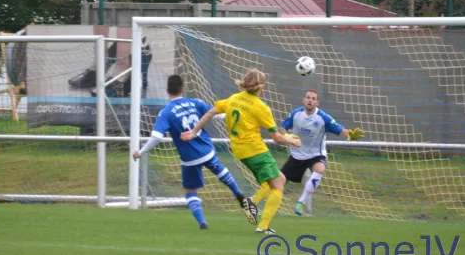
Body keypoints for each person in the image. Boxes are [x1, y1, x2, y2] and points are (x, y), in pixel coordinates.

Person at [181, 69, 301, 235]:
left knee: (278, 179)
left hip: (239, 151)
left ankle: (252, 201)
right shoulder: (261, 107)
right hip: (255, 150)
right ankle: (263, 226)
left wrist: (194, 132)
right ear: (261, 86)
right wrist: (293, 141)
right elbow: (276, 138)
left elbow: (210, 112)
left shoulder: (233, 99)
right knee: (278, 185)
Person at [132, 74, 257, 230]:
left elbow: (156, 137)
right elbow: (218, 115)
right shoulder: (195, 102)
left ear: (167, 91)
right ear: (183, 88)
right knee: (217, 167)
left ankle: (202, 222)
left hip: (189, 157)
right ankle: (237, 192)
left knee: (191, 190)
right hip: (206, 149)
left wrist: (141, 152)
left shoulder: (166, 112)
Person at [279, 89, 365, 216]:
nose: (310, 100)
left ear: (317, 102)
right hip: (297, 154)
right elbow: (282, 128)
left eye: (313, 99)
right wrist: (288, 137)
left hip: (315, 154)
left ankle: (301, 202)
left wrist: (350, 135)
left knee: (319, 169)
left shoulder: (323, 118)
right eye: (308, 97)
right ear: (303, 100)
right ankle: (262, 201)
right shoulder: (296, 114)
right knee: (279, 182)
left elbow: (339, 129)